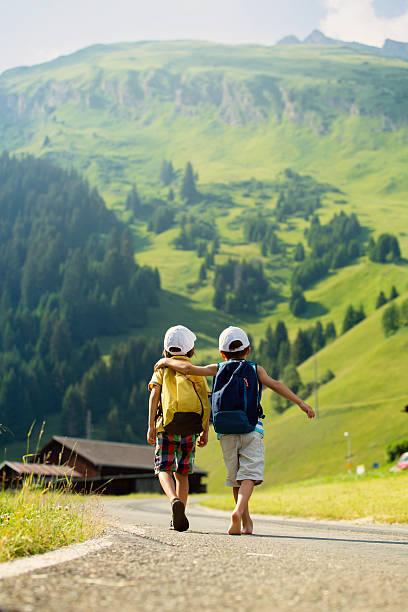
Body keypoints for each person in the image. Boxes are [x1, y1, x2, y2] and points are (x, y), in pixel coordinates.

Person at [154, 325, 315, 535]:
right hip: (251, 428)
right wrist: (301, 403)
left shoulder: (217, 368)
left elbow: (188, 369)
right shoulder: (256, 369)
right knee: (249, 474)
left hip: (225, 431)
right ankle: (238, 512)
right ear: (248, 350)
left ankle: (245, 523)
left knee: (236, 478)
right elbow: (275, 384)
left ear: (222, 353)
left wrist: (165, 361)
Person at [147, 325, 210, 532]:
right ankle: (179, 513)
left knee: (163, 468)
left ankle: (174, 500)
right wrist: (205, 431)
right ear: (191, 350)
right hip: (191, 429)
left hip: (166, 427)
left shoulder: (162, 369)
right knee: (182, 473)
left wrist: (150, 427)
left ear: (166, 350)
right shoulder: (197, 372)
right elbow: (206, 402)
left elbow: (154, 396)